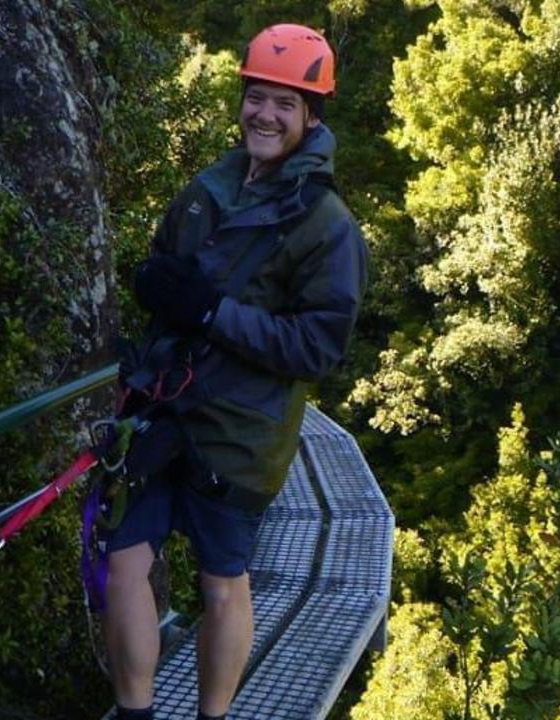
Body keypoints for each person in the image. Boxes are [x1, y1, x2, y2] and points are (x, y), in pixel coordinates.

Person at [101, 23, 367, 720]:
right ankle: (135, 712)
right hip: (163, 409)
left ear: (312, 116)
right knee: (124, 559)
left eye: (286, 103)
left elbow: (318, 347)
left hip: (237, 432)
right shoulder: (208, 189)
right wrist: (156, 286)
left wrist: (213, 313)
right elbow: (164, 268)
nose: (266, 115)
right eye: (257, 97)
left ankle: (212, 717)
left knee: (223, 581)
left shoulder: (327, 224)